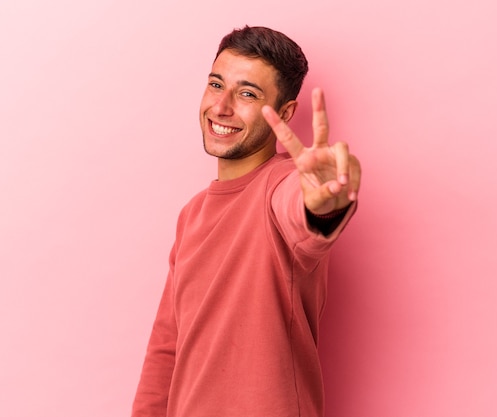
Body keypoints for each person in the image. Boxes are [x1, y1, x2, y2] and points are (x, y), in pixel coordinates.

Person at [132, 25, 361, 417]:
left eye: (247, 94)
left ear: (286, 114)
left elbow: (305, 222)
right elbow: (167, 347)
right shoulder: (191, 214)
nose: (221, 107)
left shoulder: (283, 186)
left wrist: (326, 203)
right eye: (216, 85)